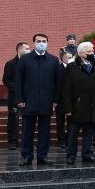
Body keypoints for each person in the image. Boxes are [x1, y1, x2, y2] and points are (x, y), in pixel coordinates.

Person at [15, 33, 59, 166]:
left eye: (44, 41)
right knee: (27, 131)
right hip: (28, 101)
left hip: (46, 101)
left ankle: (42, 156)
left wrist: (55, 100)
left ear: (47, 43)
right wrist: (20, 99)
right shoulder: (25, 59)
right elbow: (18, 81)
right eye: (38, 41)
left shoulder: (53, 60)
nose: (41, 43)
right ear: (34, 43)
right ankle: (27, 156)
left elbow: (57, 82)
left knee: (45, 132)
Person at [59, 42, 95, 165]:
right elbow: (66, 89)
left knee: (89, 132)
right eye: (89, 51)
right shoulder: (72, 67)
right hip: (76, 106)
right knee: (73, 133)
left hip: (92, 105)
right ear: (81, 53)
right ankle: (71, 155)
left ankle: (87, 154)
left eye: (92, 51)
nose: (92, 53)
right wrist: (67, 108)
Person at [2, 42, 29, 149]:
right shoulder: (10, 64)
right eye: (27, 48)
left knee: (28, 119)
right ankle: (12, 142)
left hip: (28, 96)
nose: (29, 50)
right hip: (14, 97)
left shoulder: (30, 63)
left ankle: (26, 141)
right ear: (19, 49)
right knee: (13, 119)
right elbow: (6, 80)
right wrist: (18, 89)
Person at [55, 49, 74, 149]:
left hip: (71, 100)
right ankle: (61, 140)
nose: (71, 59)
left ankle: (69, 139)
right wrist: (55, 100)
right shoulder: (58, 69)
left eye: (72, 57)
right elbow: (56, 85)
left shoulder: (75, 68)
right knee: (60, 122)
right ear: (63, 59)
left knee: (71, 122)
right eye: (69, 58)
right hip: (60, 100)